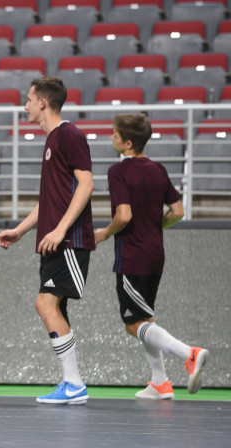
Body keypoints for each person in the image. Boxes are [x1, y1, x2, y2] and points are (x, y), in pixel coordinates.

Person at [0, 77, 94, 405]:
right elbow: (48, 200)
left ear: (42, 103)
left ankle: (74, 384)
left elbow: (87, 185)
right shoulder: (52, 140)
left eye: (28, 100)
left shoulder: (69, 135)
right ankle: (70, 382)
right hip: (52, 242)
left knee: (45, 303)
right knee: (53, 307)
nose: (24, 106)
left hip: (68, 241)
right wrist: (20, 231)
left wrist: (62, 230)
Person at [95, 114, 208, 399]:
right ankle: (160, 382)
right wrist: (154, 225)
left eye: (115, 134)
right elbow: (178, 212)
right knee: (145, 319)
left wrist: (104, 233)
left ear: (128, 143)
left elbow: (124, 215)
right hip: (156, 254)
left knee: (133, 325)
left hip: (132, 257)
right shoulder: (158, 169)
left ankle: (189, 354)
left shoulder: (117, 172)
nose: (111, 137)